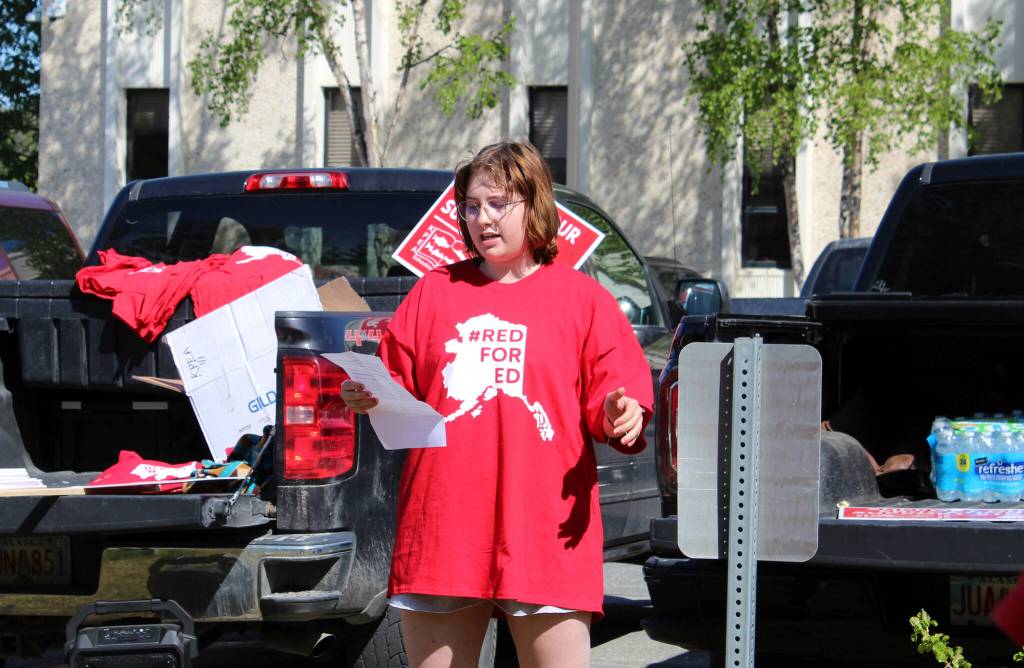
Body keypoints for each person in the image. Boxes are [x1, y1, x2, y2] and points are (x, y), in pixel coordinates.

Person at [340, 141, 653, 668]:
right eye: (471, 206)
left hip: (545, 531)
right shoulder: (434, 292)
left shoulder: (583, 299)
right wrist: (368, 394)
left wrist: (623, 411)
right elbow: (394, 382)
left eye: (498, 204)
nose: (482, 218)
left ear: (534, 205)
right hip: (445, 527)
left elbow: (614, 391)